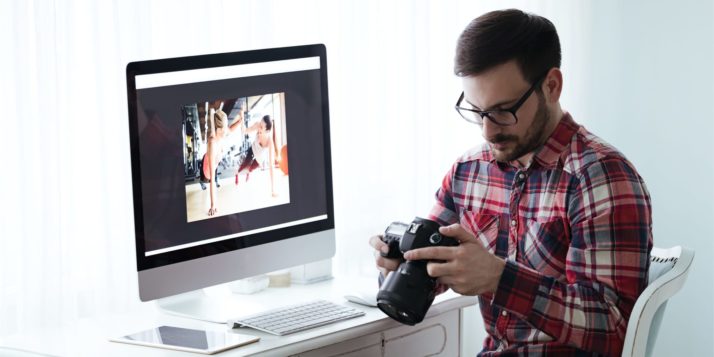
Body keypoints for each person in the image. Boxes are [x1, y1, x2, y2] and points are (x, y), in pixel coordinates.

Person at [370, 9, 652, 356]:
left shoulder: (600, 177)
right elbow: (429, 271)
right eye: (477, 111)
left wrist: (500, 279)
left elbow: (614, 328)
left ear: (551, 86)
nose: (488, 131)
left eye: (503, 111)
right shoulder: (468, 172)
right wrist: (398, 266)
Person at [202, 101, 245, 216]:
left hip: (214, 158)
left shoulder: (222, 131)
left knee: (219, 155)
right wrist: (213, 205)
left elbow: (230, 129)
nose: (225, 131)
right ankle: (202, 181)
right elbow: (212, 178)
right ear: (217, 129)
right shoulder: (213, 143)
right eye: (223, 129)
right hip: (206, 170)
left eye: (225, 127)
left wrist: (241, 120)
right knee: (208, 177)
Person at [233, 114, 280, 198]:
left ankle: (248, 172)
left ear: (267, 130)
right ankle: (237, 173)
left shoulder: (270, 142)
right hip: (253, 149)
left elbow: (271, 166)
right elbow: (244, 130)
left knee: (250, 169)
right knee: (244, 165)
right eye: (260, 123)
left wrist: (273, 190)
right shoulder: (257, 125)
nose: (259, 128)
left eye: (261, 127)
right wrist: (242, 118)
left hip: (260, 158)